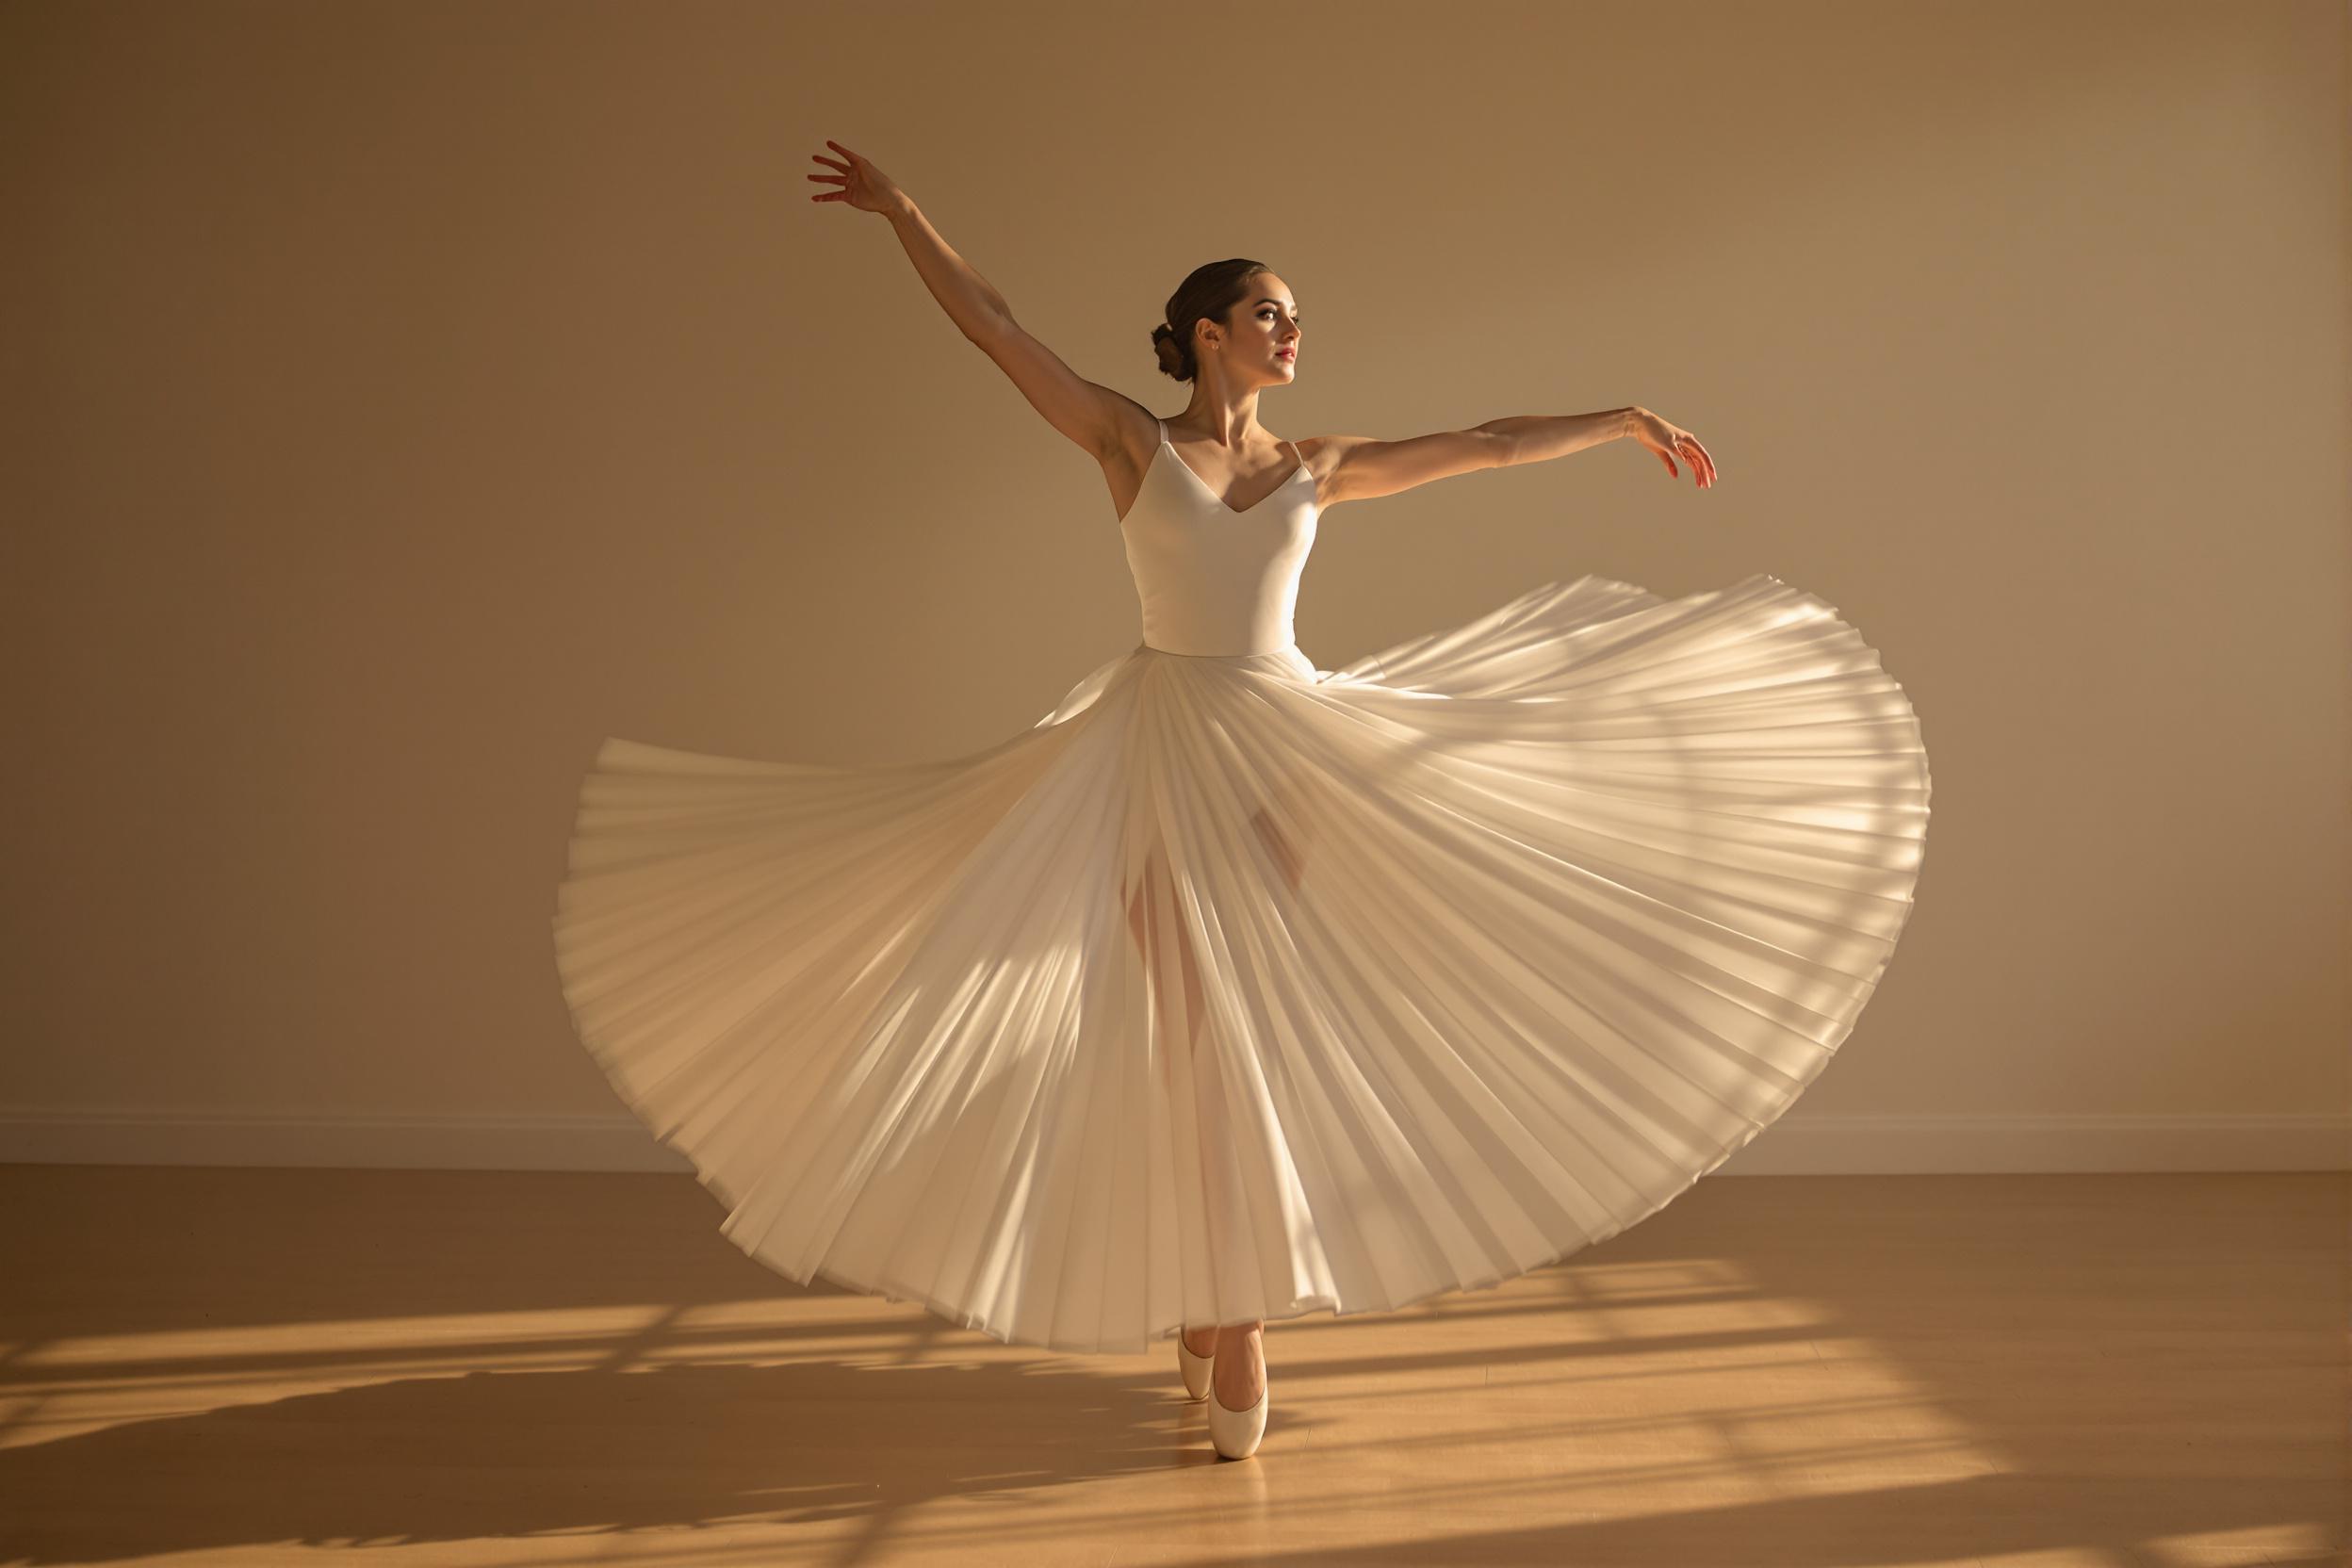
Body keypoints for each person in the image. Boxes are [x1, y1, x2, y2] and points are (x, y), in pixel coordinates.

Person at [550, 139, 1931, 1463]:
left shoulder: (1313, 466)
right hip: (1154, 751)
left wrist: (1619, 418)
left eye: (1295, 319)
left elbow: (1490, 440)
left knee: (1247, 1031)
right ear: (1206, 333)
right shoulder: (1127, 446)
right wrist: (907, 214)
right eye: (1269, 314)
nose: (1290, 335)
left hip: (1283, 756)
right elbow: (997, 328)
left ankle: (1231, 1301)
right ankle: (1230, 1300)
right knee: (1191, 1042)